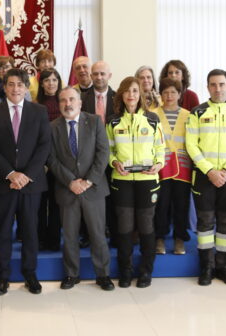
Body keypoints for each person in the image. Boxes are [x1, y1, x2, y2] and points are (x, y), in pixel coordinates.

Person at [0, 68, 51, 295]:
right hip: (3, 183)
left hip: (31, 184)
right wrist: (11, 173)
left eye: (20, 84)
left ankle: (30, 273)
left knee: (30, 231)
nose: (15, 89)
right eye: (10, 84)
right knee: (2, 232)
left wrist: (26, 175)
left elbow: (44, 146)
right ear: (4, 86)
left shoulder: (39, 111)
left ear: (26, 87)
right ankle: (3, 276)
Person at [186, 69, 226, 287]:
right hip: (204, 177)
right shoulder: (197, 112)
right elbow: (191, 145)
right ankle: (206, 267)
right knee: (205, 224)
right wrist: (209, 171)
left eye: (221, 84)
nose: (218, 88)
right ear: (207, 87)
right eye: (213, 85)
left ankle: (223, 267)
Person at [47, 87, 114, 291]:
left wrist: (88, 181)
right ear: (59, 104)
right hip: (67, 189)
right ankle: (71, 274)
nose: (68, 104)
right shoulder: (52, 127)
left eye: (72, 99)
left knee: (97, 233)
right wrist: (71, 182)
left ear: (80, 102)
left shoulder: (94, 122)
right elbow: (51, 159)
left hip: (93, 189)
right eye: (63, 100)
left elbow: (103, 153)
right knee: (69, 235)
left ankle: (103, 275)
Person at [107, 77, 165, 288]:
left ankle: (146, 271)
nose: (131, 95)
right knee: (124, 226)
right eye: (127, 91)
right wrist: (114, 162)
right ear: (121, 95)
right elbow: (109, 151)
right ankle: (125, 271)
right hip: (122, 180)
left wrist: (158, 164)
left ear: (140, 94)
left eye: (135, 91)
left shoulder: (152, 120)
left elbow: (160, 149)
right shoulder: (113, 121)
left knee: (146, 225)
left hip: (147, 180)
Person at [153, 78, 192, 255]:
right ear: (160, 94)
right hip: (161, 167)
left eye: (173, 92)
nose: (169, 96)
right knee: (161, 204)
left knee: (181, 205)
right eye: (166, 92)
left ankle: (179, 239)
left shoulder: (188, 115)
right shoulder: (153, 114)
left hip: (183, 167)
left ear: (179, 94)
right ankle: (159, 238)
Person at [82, 60, 117, 238]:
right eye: (95, 73)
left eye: (103, 73)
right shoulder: (81, 99)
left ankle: (110, 230)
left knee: (111, 195)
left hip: (114, 155)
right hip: (88, 156)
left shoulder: (119, 98)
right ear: (91, 75)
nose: (99, 77)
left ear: (109, 75)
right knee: (90, 196)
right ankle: (89, 234)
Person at [36, 69, 63, 251]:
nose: (51, 83)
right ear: (42, 83)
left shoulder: (65, 103)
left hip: (58, 161)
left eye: (54, 80)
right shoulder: (35, 105)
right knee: (38, 204)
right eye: (47, 80)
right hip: (38, 161)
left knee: (55, 204)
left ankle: (53, 241)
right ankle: (39, 239)